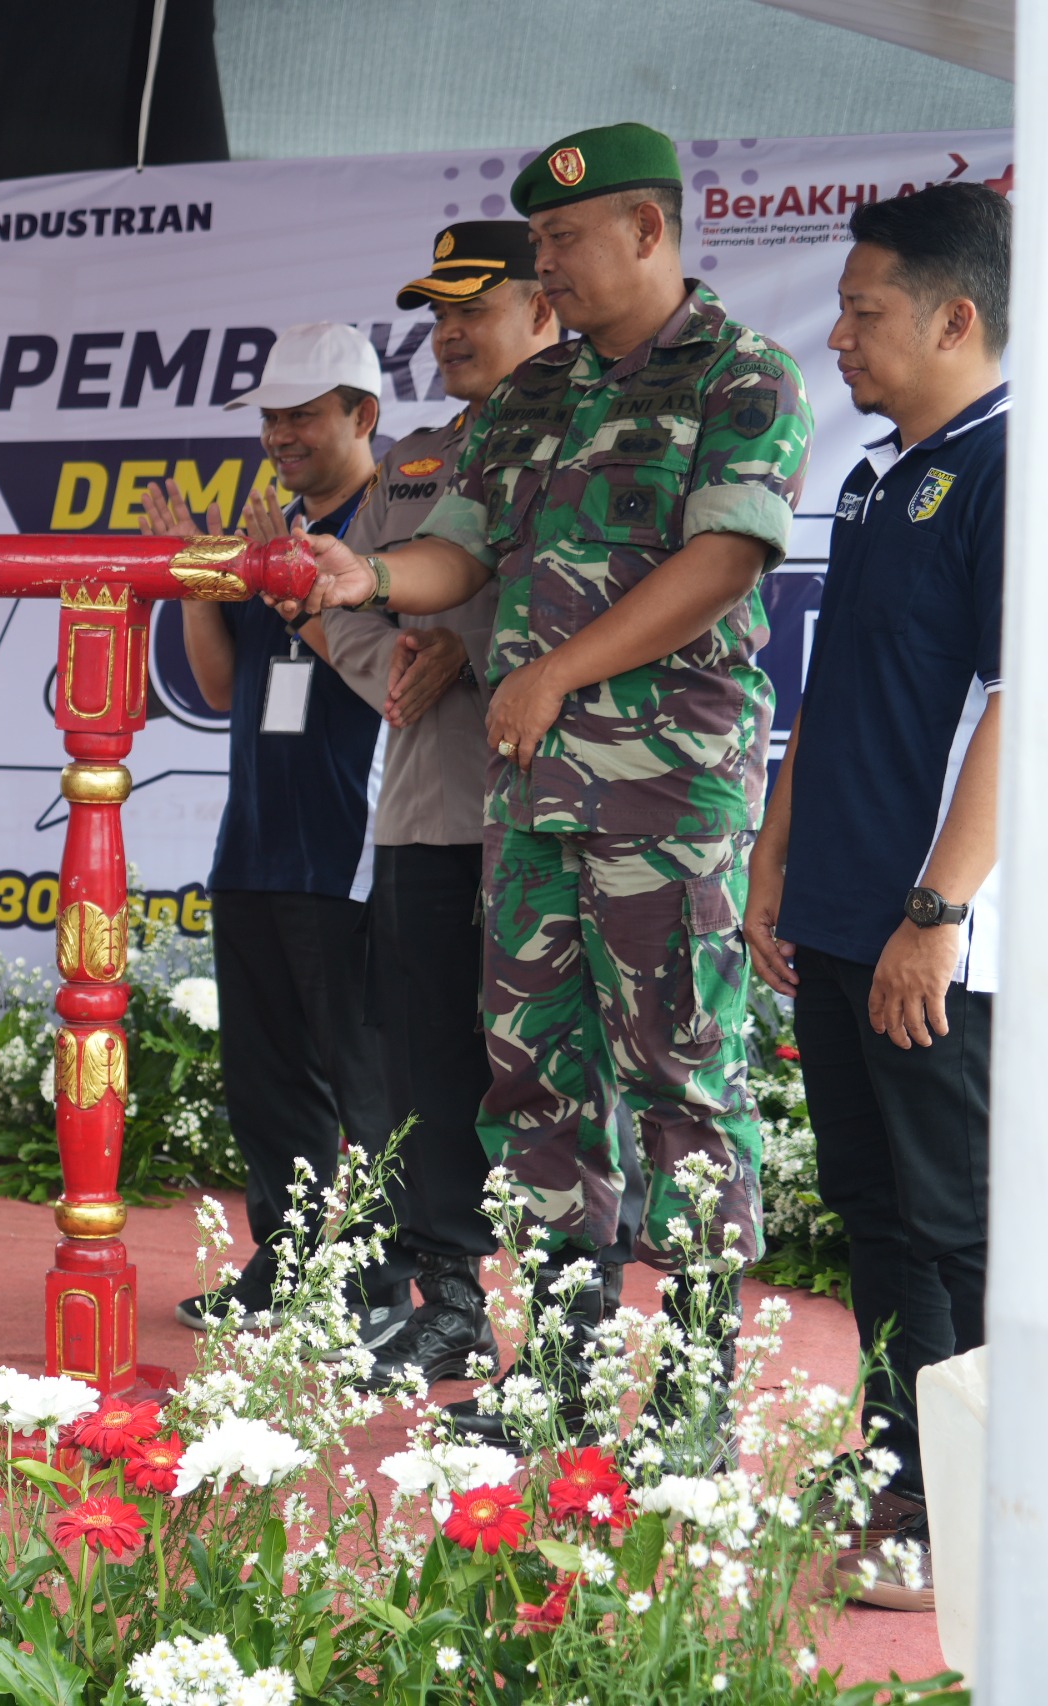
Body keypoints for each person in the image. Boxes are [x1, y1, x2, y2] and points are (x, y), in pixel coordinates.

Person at [283, 124, 814, 1448]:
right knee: (538, 1095)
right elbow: (455, 553)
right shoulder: (531, 397)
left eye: (565, 241)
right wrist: (369, 578)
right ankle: (557, 1383)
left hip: (667, 803)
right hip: (531, 814)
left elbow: (726, 559)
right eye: (540, 245)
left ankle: (691, 1403)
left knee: (686, 1091)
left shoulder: (739, 376)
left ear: (648, 232)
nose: (549, 264)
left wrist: (553, 675)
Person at [745, 181, 1009, 1601]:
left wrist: (937, 910)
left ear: (956, 318)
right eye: (837, 309)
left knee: (952, 1220)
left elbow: (1016, 707)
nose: (837, 337)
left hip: (931, 937)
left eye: (866, 311)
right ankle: (903, 1467)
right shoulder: (874, 474)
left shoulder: (1010, 466)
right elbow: (833, 689)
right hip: (839, 915)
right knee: (872, 1208)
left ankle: (975, 1502)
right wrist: (777, 853)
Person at [320, 224, 562, 1385]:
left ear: (545, 311)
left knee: (550, 1080)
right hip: (423, 808)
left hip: (554, 819)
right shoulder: (413, 462)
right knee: (427, 1069)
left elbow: (583, 590)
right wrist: (408, 671)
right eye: (438, 312)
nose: (450, 331)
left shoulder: (583, 449)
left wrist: (469, 644)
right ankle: (450, 1299)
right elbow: (352, 609)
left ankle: (566, 1326)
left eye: (479, 306)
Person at [142, 323, 388, 1334]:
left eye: (303, 414)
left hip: (358, 848)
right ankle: (282, 1264)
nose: (281, 433)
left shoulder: (394, 533)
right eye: (270, 417)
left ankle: (384, 1283)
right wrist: (202, 578)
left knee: (366, 1076)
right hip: (252, 845)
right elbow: (214, 684)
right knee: (267, 1078)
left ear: (361, 415)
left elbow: (384, 674)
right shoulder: (271, 528)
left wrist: (292, 593)